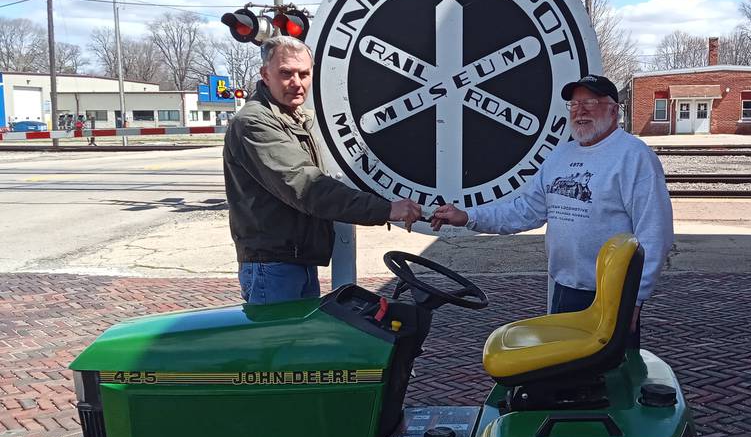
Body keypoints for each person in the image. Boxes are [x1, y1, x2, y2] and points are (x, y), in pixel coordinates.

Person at [431, 74, 673, 348]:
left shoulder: (634, 156)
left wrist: (634, 299)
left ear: (614, 110)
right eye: (574, 104)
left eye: (590, 102)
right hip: (564, 289)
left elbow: (655, 234)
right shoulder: (561, 155)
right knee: (564, 381)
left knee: (607, 382)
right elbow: (524, 210)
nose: (580, 110)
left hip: (611, 298)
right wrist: (468, 217)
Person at [224, 35, 421, 305]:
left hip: (296, 260)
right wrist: (385, 209)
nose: (297, 83)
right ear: (265, 74)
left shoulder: (294, 117)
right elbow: (308, 187)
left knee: (299, 344)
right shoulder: (254, 122)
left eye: (304, 74)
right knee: (280, 345)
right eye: (286, 73)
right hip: (273, 266)